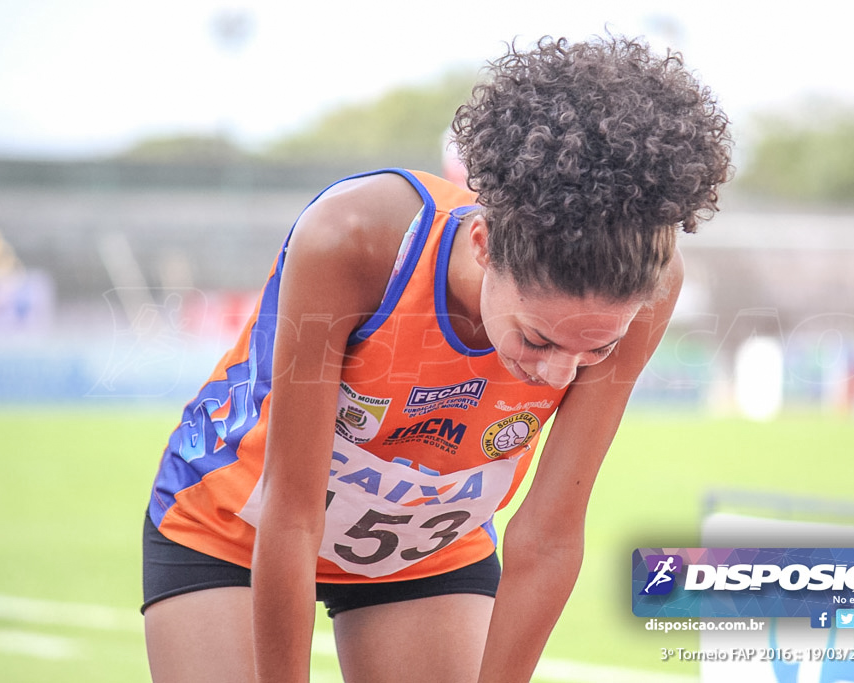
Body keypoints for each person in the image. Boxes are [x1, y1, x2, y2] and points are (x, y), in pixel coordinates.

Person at [142, 34, 731, 683]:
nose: (560, 375)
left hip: (429, 548)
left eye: (598, 349)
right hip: (236, 523)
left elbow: (549, 531)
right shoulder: (354, 239)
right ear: (483, 243)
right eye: (538, 339)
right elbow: (292, 509)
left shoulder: (647, 282)